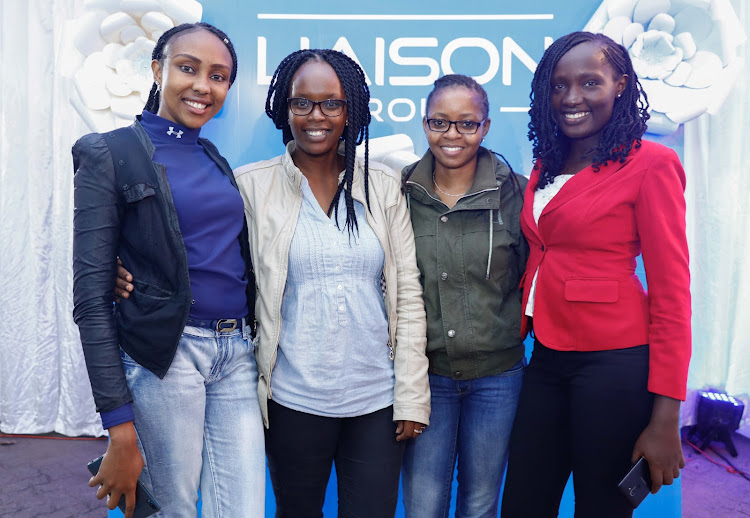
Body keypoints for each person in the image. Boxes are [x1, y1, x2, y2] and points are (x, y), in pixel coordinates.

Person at [72, 22, 264, 518]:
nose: (203, 86)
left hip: (237, 354)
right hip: (167, 357)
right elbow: (91, 299)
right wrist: (118, 426)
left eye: (219, 76)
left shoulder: (213, 158)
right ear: (157, 70)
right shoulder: (110, 153)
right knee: (173, 510)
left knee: (241, 509)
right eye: (188, 68)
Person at [231, 48, 430, 518]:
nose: (315, 116)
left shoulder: (383, 186)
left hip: (377, 403)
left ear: (351, 111)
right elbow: (209, 264)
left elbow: (407, 295)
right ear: (285, 107)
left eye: (331, 104)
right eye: (302, 103)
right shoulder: (250, 187)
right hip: (293, 401)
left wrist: (412, 396)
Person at [500, 31, 691, 518]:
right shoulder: (548, 163)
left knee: (602, 507)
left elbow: (672, 294)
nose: (572, 98)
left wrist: (666, 417)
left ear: (621, 84)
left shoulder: (653, 164)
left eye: (590, 82)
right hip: (544, 357)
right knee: (523, 501)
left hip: (615, 365)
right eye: (559, 85)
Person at [399, 74, 528, 518]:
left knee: (479, 503)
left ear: (486, 127)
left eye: (466, 124)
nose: (452, 135)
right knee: (423, 503)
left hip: (498, 377)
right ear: (424, 124)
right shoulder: (400, 192)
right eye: (440, 123)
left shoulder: (517, 191)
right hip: (426, 378)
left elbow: (536, 275)